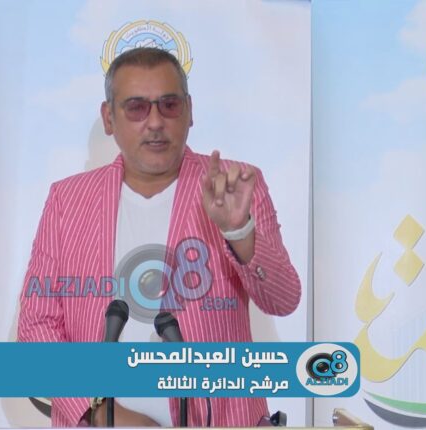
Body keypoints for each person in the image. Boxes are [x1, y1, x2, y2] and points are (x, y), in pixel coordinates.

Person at [17, 47, 301, 427]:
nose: (155, 122)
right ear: (109, 118)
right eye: (136, 108)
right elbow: (37, 328)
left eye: (169, 105)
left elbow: (284, 299)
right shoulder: (67, 200)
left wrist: (239, 232)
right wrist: (101, 412)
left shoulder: (235, 185)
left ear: (189, 111)